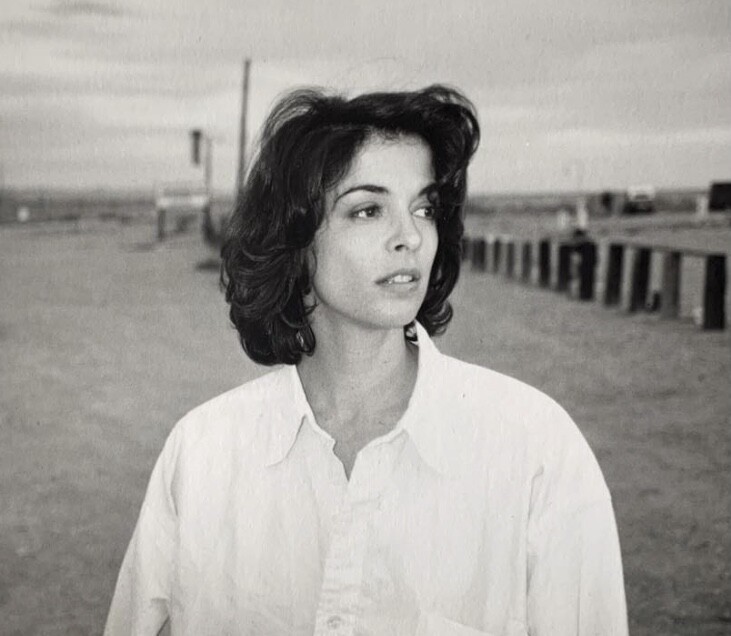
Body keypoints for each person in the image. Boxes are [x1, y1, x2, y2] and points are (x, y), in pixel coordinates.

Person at [105, 85, 628, 636]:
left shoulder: (535, 449)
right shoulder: (202, 454)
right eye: (368, 209)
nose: (411, 237)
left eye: (424, 208)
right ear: (295, 239)